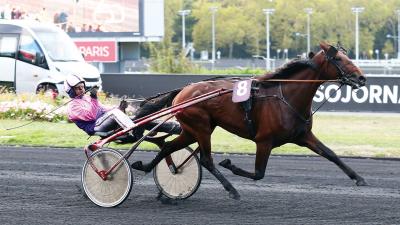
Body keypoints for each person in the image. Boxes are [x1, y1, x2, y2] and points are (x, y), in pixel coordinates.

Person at [64, 74, 180, 141]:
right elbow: (92, 116)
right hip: (95, 128)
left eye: (82, 87)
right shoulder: (72, 107)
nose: (82, 90)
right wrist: (94, 98)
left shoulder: (86, 99)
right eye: (78, 88)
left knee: (139, 118)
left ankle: (174, 128)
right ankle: (134, 132)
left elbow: (103, 109)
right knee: (115, 113)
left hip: (103, 122)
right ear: (71, 91)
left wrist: (119, 107)